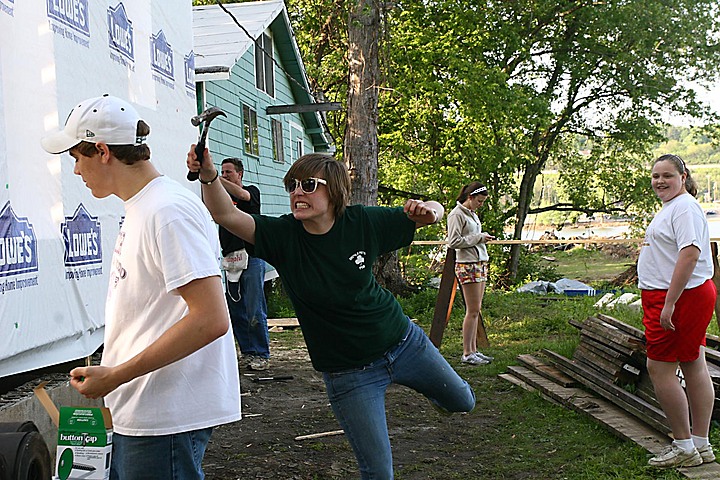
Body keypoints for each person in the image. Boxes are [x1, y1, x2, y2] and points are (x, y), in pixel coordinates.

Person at [187, 148, 476, 480]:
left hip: (403, 343)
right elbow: (226, 215)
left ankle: (436, 393)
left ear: (334, 190)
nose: (297, 191)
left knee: (463, 401)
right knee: (378, 470)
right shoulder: (283, 236)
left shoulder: (362, 222)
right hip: (349, 373)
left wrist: (430, 212)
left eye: (308, 184)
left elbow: (435, 209)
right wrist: (209, 175)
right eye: (292, 185)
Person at [41, 95, 241, 479]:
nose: (76, 171)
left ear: (101, 151)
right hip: (145, 407)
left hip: (164, 414)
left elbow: (211, 319)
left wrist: (117, 375)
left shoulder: (166, 211)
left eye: (76, 159)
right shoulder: (146, 206)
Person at [637, 154, 717, 468]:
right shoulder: (674, 207)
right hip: (680, 295)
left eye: (667, 175)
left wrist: (669, 302)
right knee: (693, 362)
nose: (659, 181)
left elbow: (690, 253)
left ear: (683, 176)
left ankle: (684, 444)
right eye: (655, 176)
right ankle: (700, 444)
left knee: (659, 368)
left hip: (679, 298)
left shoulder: (684, 207)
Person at [218, 157, 270, 371]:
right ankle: (247, 352)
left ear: (239, 174)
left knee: (254, 307)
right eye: (222, 171)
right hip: (230, 259)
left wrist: (214, 178)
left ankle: (261, 353)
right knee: (236, 308)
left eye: (228, 172)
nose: (224, 175)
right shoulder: (221, 197)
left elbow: (242, 195)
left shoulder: (251, 191)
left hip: (252, 256)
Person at [447, 181, 496, 366]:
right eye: (479, 201)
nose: (480, 205)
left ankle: (474, 350)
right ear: (470, 197)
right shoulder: (456, 214)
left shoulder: (473, 215)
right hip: (467, 265)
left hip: (480, 262)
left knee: (477, 310)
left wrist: (482, 239)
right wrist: (479, 238)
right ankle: (467, 352)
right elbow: (453, 241)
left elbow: (472, 238)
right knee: (472, 310)